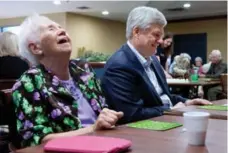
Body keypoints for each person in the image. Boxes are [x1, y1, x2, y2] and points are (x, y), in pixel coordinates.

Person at [11, 14, 123, 149]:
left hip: (105, 143)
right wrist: (93, 128)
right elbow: (36, 140)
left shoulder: (82, 69)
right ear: (36, 48)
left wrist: (109, 117)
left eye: (61, 27)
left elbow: (103, 109)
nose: (62, 31)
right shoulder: (28, 83)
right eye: (51, 29)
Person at [101, 6, 211, 124]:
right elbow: (131, 114)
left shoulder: (152, 59)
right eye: (156, 35)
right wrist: (170, 110)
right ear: (136, 32)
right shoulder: (119, 66)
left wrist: (186, 102)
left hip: (165, 121)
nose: (160, 41)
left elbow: (162, 98)